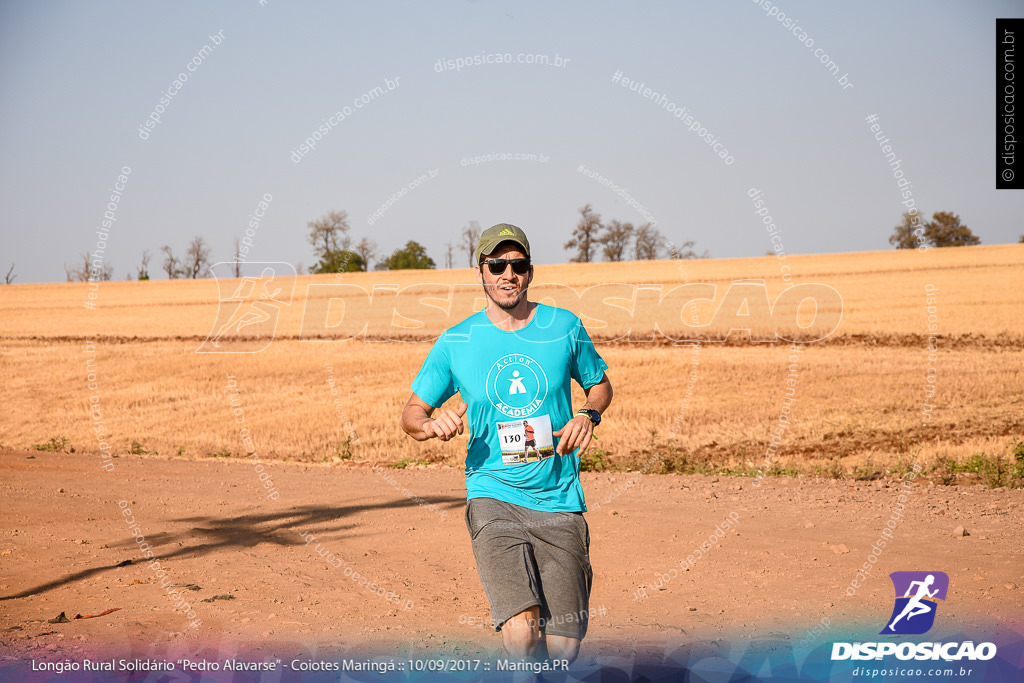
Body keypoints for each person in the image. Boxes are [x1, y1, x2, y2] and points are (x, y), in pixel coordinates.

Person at [400, 223, 612, 663]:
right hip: (491, 490)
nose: (507, 274)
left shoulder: (564, 326)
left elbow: (600, 385)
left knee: (564, 646)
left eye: (517, 265)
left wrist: (587, 415)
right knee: (521, 624)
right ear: (481, 271)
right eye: (497, 265)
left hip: (559, 496)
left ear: (530, 272)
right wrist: (430, 425)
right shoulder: (457, 341)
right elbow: (411, 414)